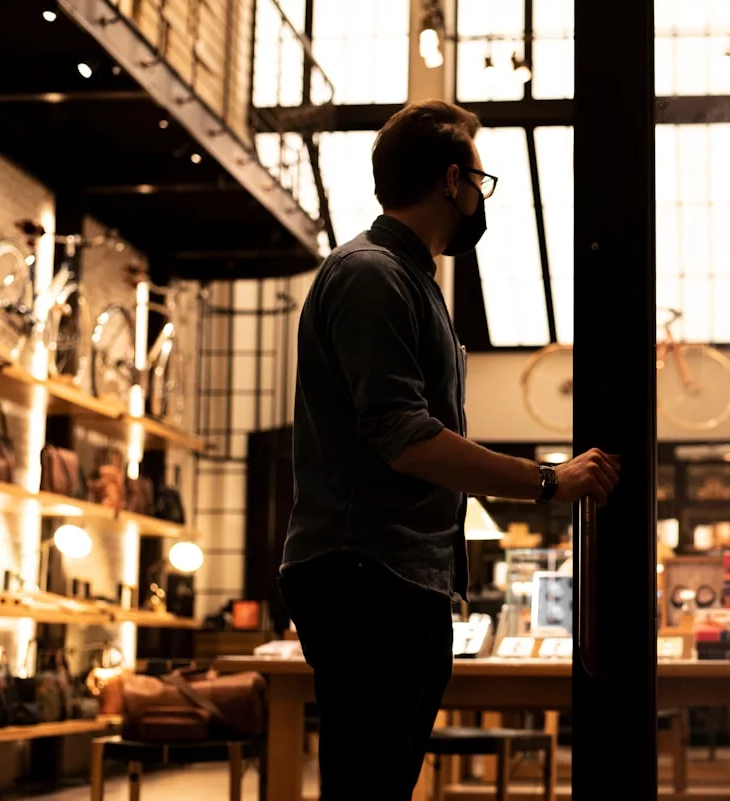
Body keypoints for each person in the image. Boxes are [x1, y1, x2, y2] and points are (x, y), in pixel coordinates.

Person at [278, 100, 621, 800]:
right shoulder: (373, 275)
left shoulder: (408, 280)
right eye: (480, 180)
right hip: (366, 572)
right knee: (369, 781)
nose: (479, 197)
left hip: (393, 572)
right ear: (450, 180)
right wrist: (548, 480)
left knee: (379, 778)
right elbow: (407, 439)